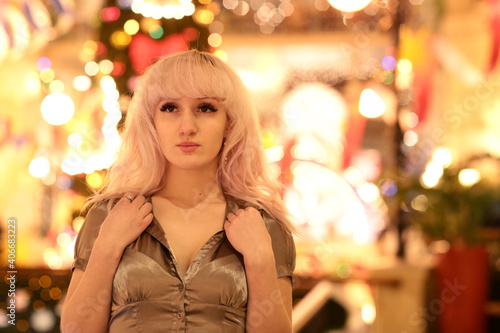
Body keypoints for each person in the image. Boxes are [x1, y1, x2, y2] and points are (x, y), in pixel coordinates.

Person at [60, 49, 296, 333]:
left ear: (229, 123)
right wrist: (107, 247)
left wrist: (260, 260)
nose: (187, 127)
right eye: (170, 108)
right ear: (152, 122)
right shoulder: (109, 216)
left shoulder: (264, 226)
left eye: (205, 108)